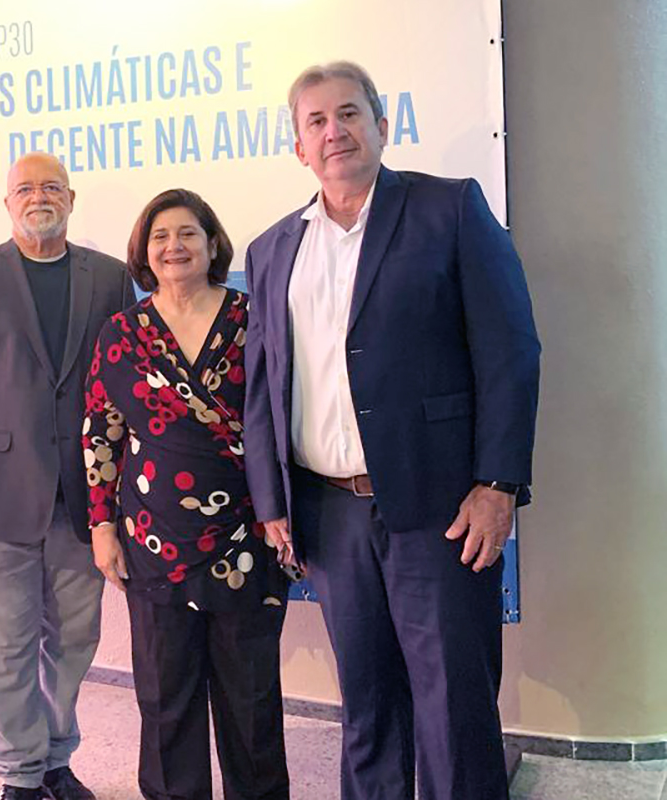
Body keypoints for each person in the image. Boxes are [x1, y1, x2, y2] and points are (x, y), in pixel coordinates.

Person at [243, 62, 540, 800]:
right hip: (327, 512)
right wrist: (270, 500)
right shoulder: (272, 249)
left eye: (349, 113)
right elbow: (262, 387)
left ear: (382, 124)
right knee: (368, 705)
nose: (333, 131)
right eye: (315, 121)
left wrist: (498, 484)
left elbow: (510, 353)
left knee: (453, 707)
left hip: (439, 507)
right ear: (298, 146)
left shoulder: (450, 210)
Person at [0, 151, 135, 800]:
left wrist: (123, 496)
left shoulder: (108, 276)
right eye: (25, 188)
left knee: (75, 642)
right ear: (7, 203)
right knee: (5, 647)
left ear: (72, 199)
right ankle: (20, 774)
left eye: (51, 187)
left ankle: (56, 758)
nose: (38, 197)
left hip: (85, 499)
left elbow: (127, 388)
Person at [86, 189, 291, 800]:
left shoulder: (253, 319)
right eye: (160, 237)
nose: (173, 246)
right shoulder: (122, 332)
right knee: (164, 698)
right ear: (144, 252)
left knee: (251, 700)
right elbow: (101, 432)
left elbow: (282, 417)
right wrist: (101, 527)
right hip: (153, 536)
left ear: (211, 244)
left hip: (247, 536)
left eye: (187, 234)